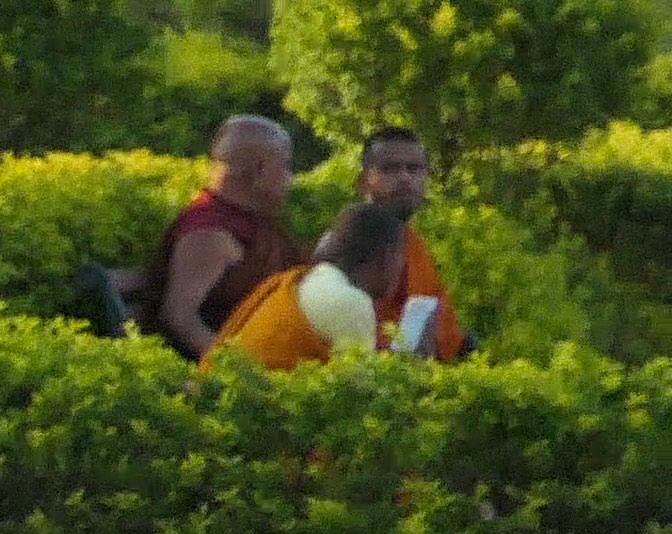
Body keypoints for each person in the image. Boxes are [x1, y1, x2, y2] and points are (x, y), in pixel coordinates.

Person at [144, 116, 305, 361]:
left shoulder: (252, 221)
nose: (289, 177)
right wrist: (242, 368)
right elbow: (179, 318)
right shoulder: (210, 233)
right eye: (285, 165)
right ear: (259, 171)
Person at [202, 204, 414, 375]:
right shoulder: (352, 302)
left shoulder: (304, 279)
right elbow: (357, 394)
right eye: (400, 259)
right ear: (387, 260)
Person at [353, 126, 467, 361]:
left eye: (414, 169)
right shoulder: (350, 241)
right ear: (364, 181)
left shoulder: (413, 243)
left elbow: (444, 329)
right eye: (390, 169)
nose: (405, 178)